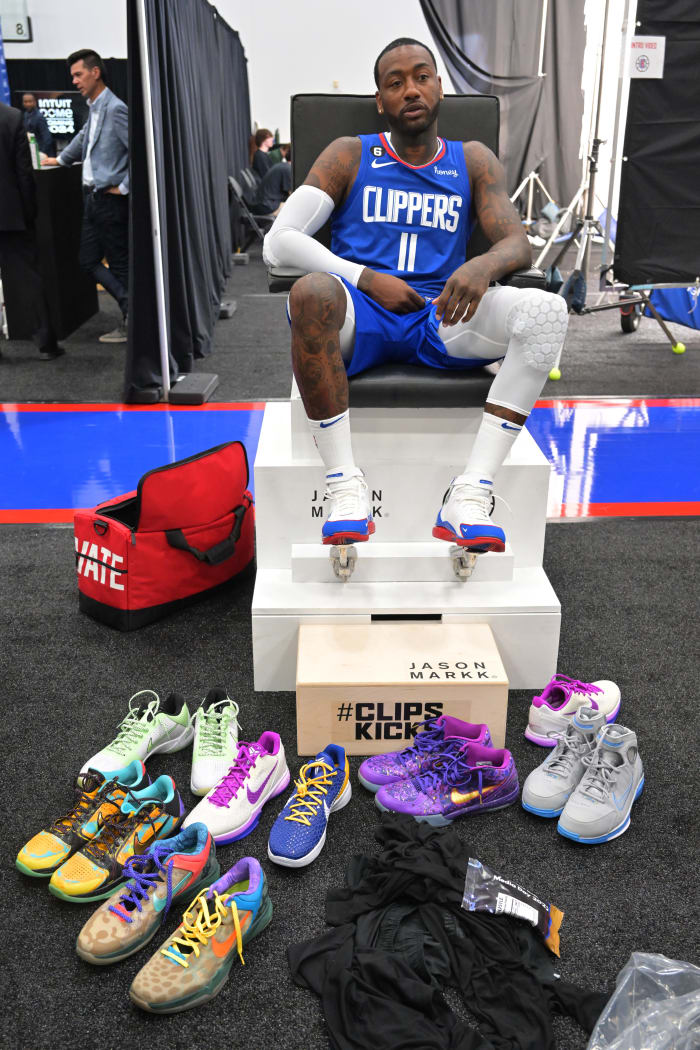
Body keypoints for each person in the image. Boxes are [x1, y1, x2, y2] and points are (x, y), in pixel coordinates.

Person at [263, 37, 568, 552]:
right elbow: (278, 246)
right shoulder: (349, 154)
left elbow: (516, 242)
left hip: (443, 314)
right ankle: (343, 487)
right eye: (395, 81)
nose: (411, 89)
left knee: (546, 312)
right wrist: (363, 277)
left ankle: (470, 494)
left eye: (421, 76)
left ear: (440, 88)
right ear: (379, 99)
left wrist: (482, 264)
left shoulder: (472, 160)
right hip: (362, 314)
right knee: (313, 292)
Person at [42, 49, 129, 344]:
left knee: (118, 263)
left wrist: (125, 186)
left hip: (110, 199)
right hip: (93, 199)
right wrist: (60, 160)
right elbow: (83, 139)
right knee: (87, 260)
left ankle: (133, 321)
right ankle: (132, 308)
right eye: (73, 76)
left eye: (78, 74)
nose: (75, 81)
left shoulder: (115, 108)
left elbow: (142, 152)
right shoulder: (94, 107)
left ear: (96, 72)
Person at [0, 99, 63, 361]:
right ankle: (46, 344)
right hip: (12, 217)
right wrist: (29, 214)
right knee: (30, 281)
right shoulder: (13, 118)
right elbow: (24, 173)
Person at [253, 149, 292, 216]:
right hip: (267, 206)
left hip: (263, 203)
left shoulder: (282, 165)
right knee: (296, 209)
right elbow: (291, 194)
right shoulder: (287, 169)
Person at [21, 93, 56, 157]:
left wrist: (41, 153)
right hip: (32, 151)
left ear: (34, 102)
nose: (28, 104)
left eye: (30, 101)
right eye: (25, 102)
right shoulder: (25, 115)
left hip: (43, 153)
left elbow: (47, 138)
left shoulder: (39, 117)